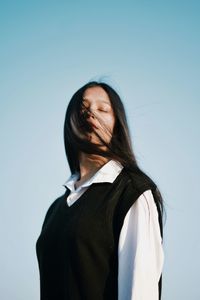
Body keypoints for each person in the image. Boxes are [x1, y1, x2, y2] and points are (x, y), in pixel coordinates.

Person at [36, 81, 165, 300]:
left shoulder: (132, 192)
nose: (90, 114)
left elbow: (140, 291)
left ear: (118, 126)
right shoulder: (55, 209)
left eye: (103, 109)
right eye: (83, 109)